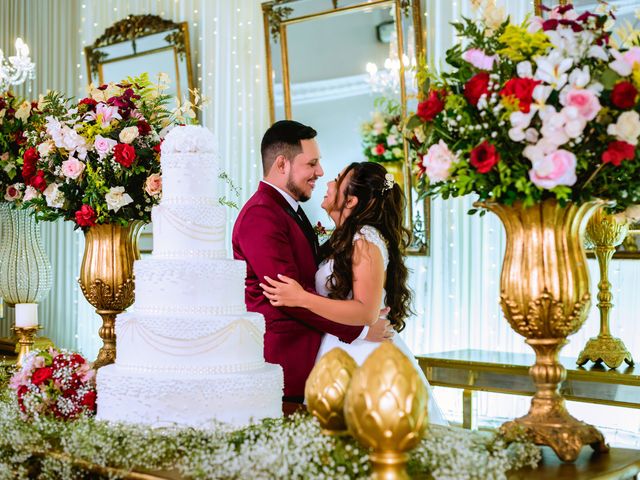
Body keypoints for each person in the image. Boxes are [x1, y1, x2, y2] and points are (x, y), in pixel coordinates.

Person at [260, 161, 448, 425]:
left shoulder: (365, 239)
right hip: (338, 349)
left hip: (362, 355)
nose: (328, 183)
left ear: (351, 202)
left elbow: (366, 311)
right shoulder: (346, 239)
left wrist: (301, 297)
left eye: (337, 180)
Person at [232, 120, 393, 403]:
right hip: (285, 360)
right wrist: (362, 329)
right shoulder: (262, 214)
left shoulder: (290, 210)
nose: (320, 172)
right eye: (312, 164)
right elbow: (287, 297)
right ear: (282, 164)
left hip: (317, 355)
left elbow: (301, 291)